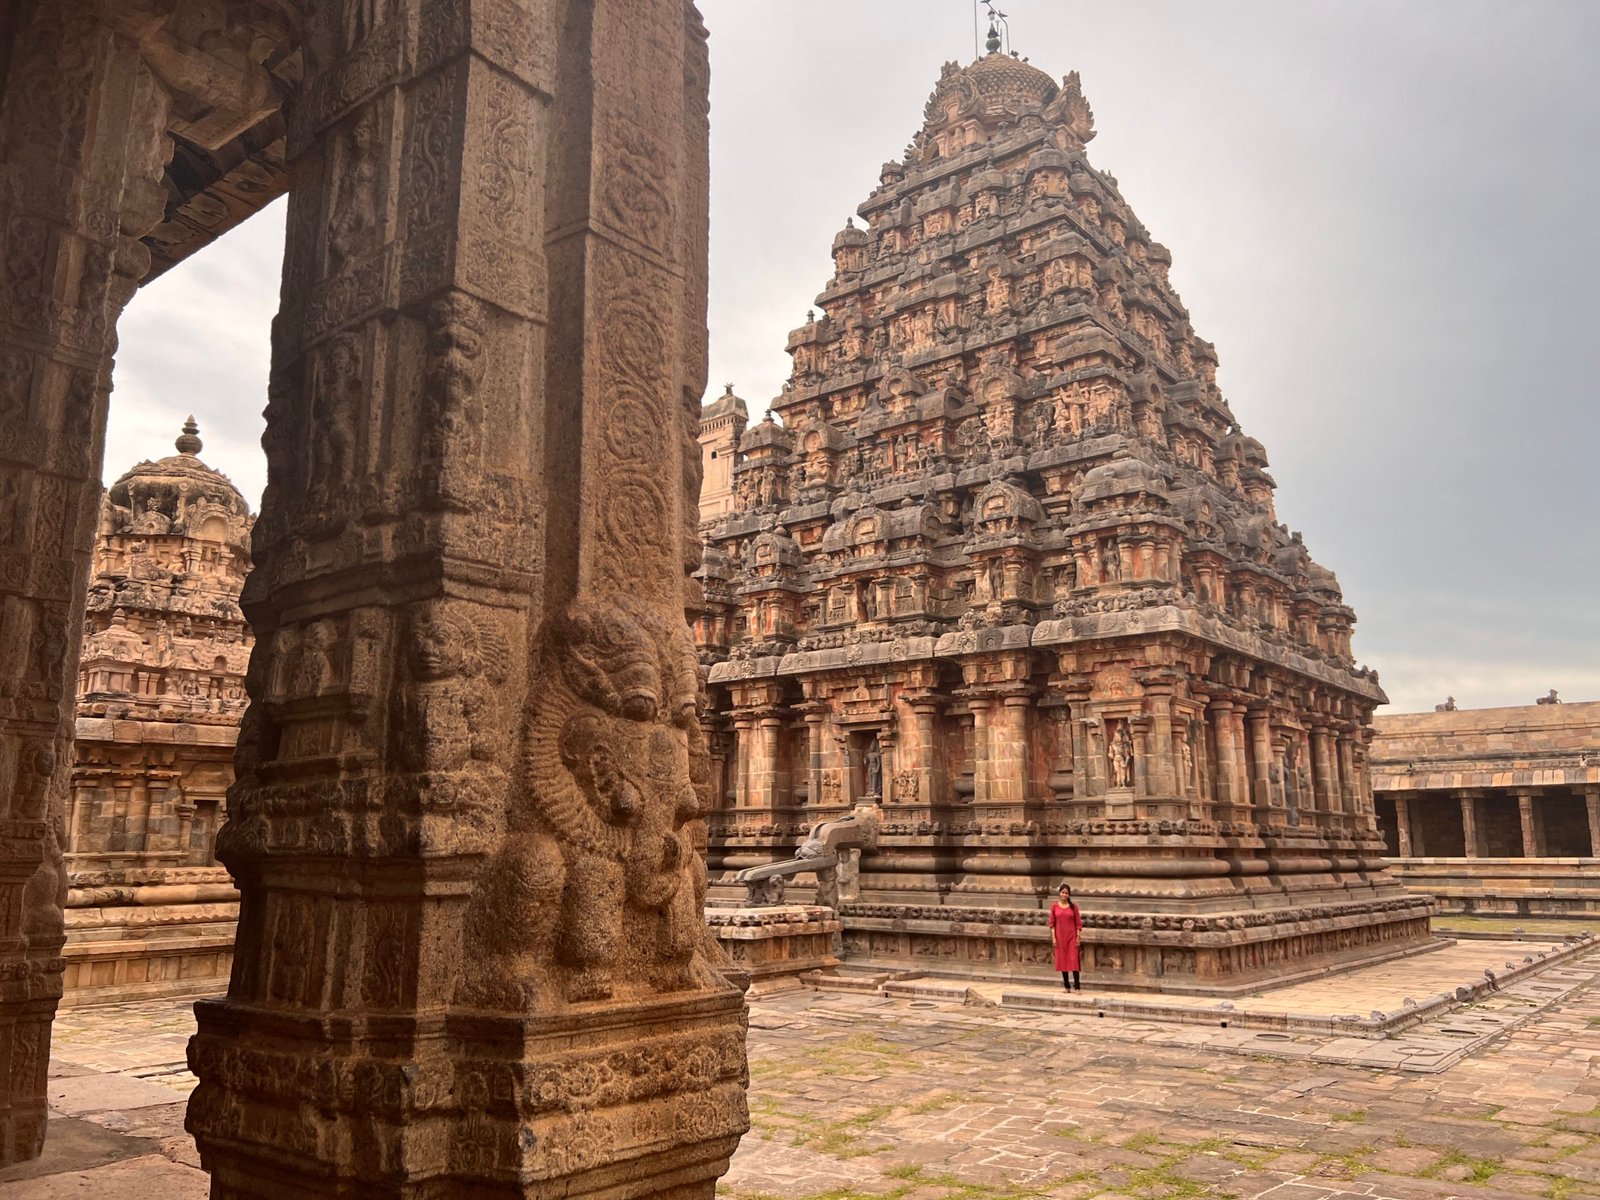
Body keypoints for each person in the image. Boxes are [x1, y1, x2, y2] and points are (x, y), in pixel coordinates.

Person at [1049, 883, 1083, 992]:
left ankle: (1077, 986)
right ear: (1059, 893)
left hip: (1071, 937)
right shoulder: (1054, 906)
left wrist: (1078, 936)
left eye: (1066, 893)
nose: (1064, 895)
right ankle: (1067, 986)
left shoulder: (1074, 907)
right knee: (1062, 961)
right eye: (1063, 892)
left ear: (1069, 895)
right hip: (1060, 937)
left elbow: (1078, 923)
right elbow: (1052, 924)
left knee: (1074, 961)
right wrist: (1053, 938)